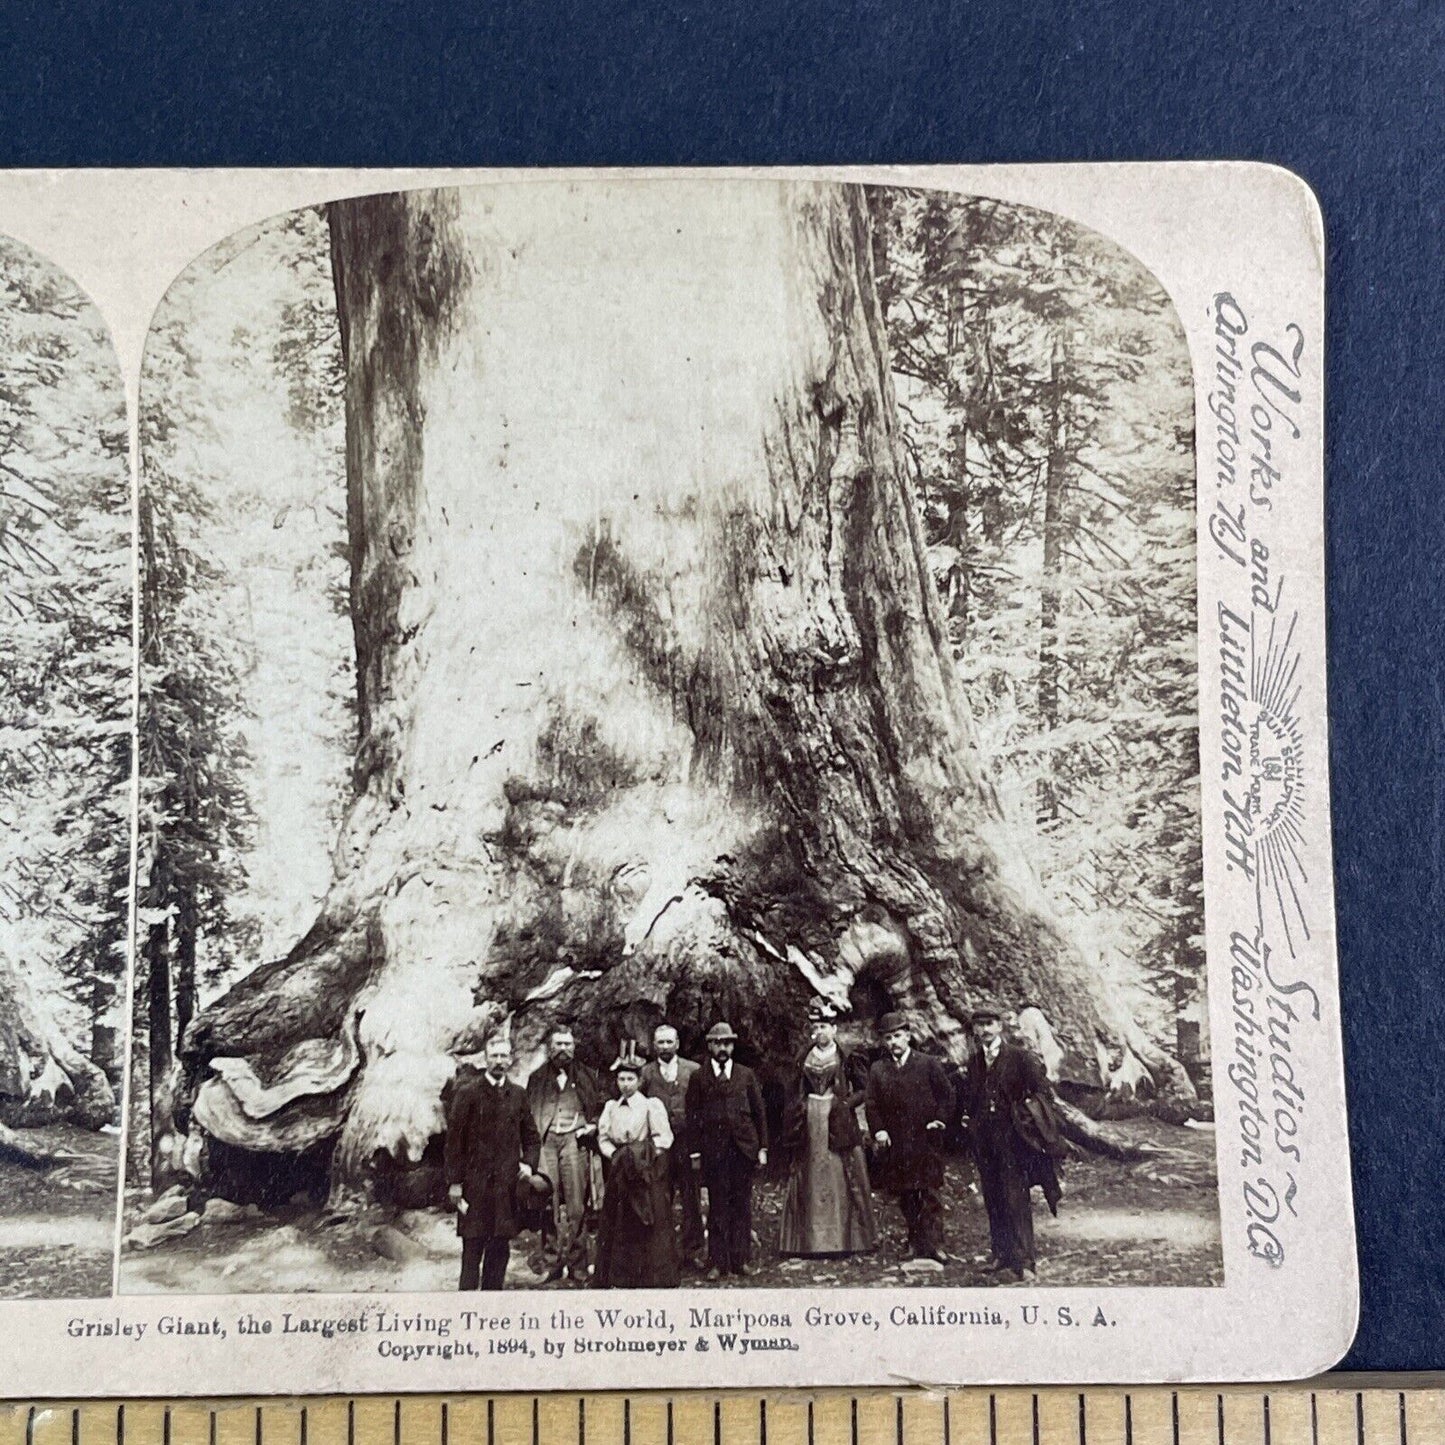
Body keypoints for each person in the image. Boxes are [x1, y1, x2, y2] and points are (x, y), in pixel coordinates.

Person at [961, 1006, 1063, 1282]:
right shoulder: (975, 1061)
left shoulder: (1019, 1058)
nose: (984, 1029)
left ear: (1000, 1026)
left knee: (1016, 1198)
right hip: (986, 1141)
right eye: (979, 1025)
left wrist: (1024, 1117)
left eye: (990, 1023)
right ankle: (1000, 1254)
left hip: (1014, 1141)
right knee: (993, 1197)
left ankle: (1025, 1260)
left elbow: (1043, 1092)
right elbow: (970, 1098)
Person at [444, 1031, 542, 1290]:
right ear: (485, 1059)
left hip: (505, 1188)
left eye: (504, 1056)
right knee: (472, 1250)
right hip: (475, 1187)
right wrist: (455, 1182)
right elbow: (454, 1143)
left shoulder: (518, 1094)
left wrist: (528, 1164)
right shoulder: (467, 1093)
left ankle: (492, 1306)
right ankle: (466, 1308)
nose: (499, 1061)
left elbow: (532, 1137)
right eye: (494, 1056)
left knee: (499, 1250)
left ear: (510, 1060)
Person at [779, 999, 877, 1257]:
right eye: (816, 1027)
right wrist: (800, 1107)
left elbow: (864, 1089)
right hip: (810, 1119)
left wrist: (844, 1104)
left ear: (834, 1029)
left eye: (824, 1026)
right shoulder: (804, 1056)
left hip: (837, 1119)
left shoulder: (847, 1056)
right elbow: (794, 1088)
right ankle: (809, 1242)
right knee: (809, 1172)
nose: (820, 1032)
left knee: (841, 1172)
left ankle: (846, 1239)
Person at [864, 1011, 954, 1265]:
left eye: (898, 1036)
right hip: (897, 1142)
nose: (894, 1042)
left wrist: (940, 1119)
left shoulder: (927, 1063)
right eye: (888, 1038)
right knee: (906, 1194)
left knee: (929, 1193)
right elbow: (871, 1104)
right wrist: (879, 1130)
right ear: (883, 1041)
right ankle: (914, 1242)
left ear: (908, 1036)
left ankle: (935, 1244)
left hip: (925, 1139)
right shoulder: (878, 1069)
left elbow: (947, 1094)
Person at [685, 1021, 768, 1280]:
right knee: (718, 1205)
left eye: (727, 1043)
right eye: (718, 1043)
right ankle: (718, 1262)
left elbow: (759, 1113)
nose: (723, 1048)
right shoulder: (699, 1077)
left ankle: (740, 1260)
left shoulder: (746, 1074)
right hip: (714, 1152)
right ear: (710, 1045)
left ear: (733, 1046)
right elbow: (693, 1117)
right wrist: (695, 1152)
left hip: (743, 1149)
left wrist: (762, 1147)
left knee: (741, 1205)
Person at [593, 1043, 680, 1288]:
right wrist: (616, 1156)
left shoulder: (651, 1105)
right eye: (621, 1079)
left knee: (648, 1221)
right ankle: (621, 1275)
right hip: (620, 1171)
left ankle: (650, 1275)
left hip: (645, 1173)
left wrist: (643, 1156)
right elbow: (603, 1137)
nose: (625, 1084)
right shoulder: (611, 1107)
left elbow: (664, 1137)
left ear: (639, 1080)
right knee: (619, 1221)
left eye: (630, 1079)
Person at [525, 1025, 605, 1282]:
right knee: (548, 1202)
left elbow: (599, 1108)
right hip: (546, 1141)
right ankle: (551, 1262)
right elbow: (527, 1115)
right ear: (550, 1048)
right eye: (558, 1044)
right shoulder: (536, 1078)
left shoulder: (587, 1075)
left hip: (575, 1141)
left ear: (574, 1047)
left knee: (576, 1205)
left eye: (567, 1044)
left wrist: (592, 1124)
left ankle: (578, 1264)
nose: (563, 1049)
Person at [639, 1022, 704, 1267]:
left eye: (669, 1041)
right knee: (660, 1196)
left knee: (691, 1197)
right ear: (654, 1045)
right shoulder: (645, 1074)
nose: (665, 1046)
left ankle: (692, 1250)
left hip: (687, 1142)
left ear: (677, 1044)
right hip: (659, 1145)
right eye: (660, 1042)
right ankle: (662, 1253)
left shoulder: (693, 1070)